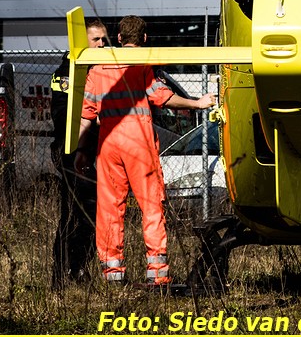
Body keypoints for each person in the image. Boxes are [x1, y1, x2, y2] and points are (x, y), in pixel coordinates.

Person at [75, 15, 215, 286]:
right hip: (138, 143)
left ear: (118, 38)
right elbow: (163, 97)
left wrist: (81, 150)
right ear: (145, 39)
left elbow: (86, 115)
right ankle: (157, 273)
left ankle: (112, 273)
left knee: (110, 208)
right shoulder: (143, 64)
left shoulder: (98, 67)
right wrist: (198, 103)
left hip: (108, 145)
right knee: (151, 206)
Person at [49, 17, 109, 289]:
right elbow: (62, 115)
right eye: (96, 39)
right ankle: (61, 274)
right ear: (81, 42)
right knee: (73, 214)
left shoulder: (103, 70)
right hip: (72, 151)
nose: (101, 44)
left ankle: (79, 268)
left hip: (98, 151)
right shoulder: (67, 72)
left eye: (104, 39)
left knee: (94, 213)